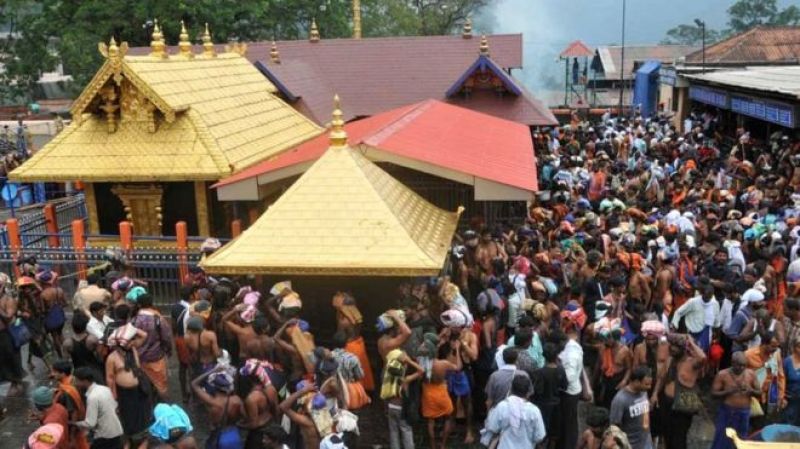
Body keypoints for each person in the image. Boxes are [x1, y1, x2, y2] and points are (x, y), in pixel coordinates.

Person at [655, 334, 706, 449]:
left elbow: (702, 357)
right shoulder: (669, 360)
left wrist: (691, 342)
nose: (672, 349)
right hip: (667, 403)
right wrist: (654, 395)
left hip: (683, 405)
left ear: (683, 349)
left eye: (675, 347)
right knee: (667, 435)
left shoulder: (692, 363)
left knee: (679, 439)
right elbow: (662, 378)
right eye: (671, 346)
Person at [482, 374, 546, 449]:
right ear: (528, 393)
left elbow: (492, 427)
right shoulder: (534, 411)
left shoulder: (502, 406)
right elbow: (539, 436)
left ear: (511, 390)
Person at [710, 352, 759, 449]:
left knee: (741, 439)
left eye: (744, 365)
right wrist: (727, 391)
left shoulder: (751, 374)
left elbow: (759, 392)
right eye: (739, 365)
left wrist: (750, 390)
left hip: (744, 413)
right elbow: (713, 393)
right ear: (732, 363)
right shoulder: (722, 374)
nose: (741, 368)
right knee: (722, 438)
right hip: (727, 412)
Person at [131, 292, 172, 400]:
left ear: (139, 304)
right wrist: (168, 351)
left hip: (140, 359)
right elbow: (166, 336)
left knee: (145, 387)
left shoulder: (134, 320)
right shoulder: (157, 318)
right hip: (156, 358)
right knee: (161, 387)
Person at [191, 367, 244, 449]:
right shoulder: (237, 400)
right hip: (234, 434)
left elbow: (194, 384)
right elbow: (244, 416)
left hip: (219, 436)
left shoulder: (212, 402)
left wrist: (213, 370)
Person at [73, 366, 124, 449]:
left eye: (77, 381)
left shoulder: (92, 397)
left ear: (85, 381)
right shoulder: (105, 389)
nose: (75, 383)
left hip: (105, 435)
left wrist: (75, 423)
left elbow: (90, 423)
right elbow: (115, 406)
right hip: (116, 430)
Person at [531, 342, 567, 449]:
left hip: (543, 406)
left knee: (541, 432)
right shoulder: (561, 369)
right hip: (556, 405)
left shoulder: (541, 372)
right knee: (554, 434)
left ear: (544, 356)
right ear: (556, 355)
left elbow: (538, 390)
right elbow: (564, 386)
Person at [671, 282, 720, 353]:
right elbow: (679, 312)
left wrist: (716, 337)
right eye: (705, 297)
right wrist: (674, 325)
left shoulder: (715, 304)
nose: (707, 299)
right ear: (702, 294)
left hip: (706, 337)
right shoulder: (693, 302)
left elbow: (717, 323)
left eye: (709, 297)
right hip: (692, 335)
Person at [784, 337, 800, 425]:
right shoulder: (787, 362)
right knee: (788, 424)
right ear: (794, 348)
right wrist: (782, 397)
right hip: (790, 400)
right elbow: (782, 381)